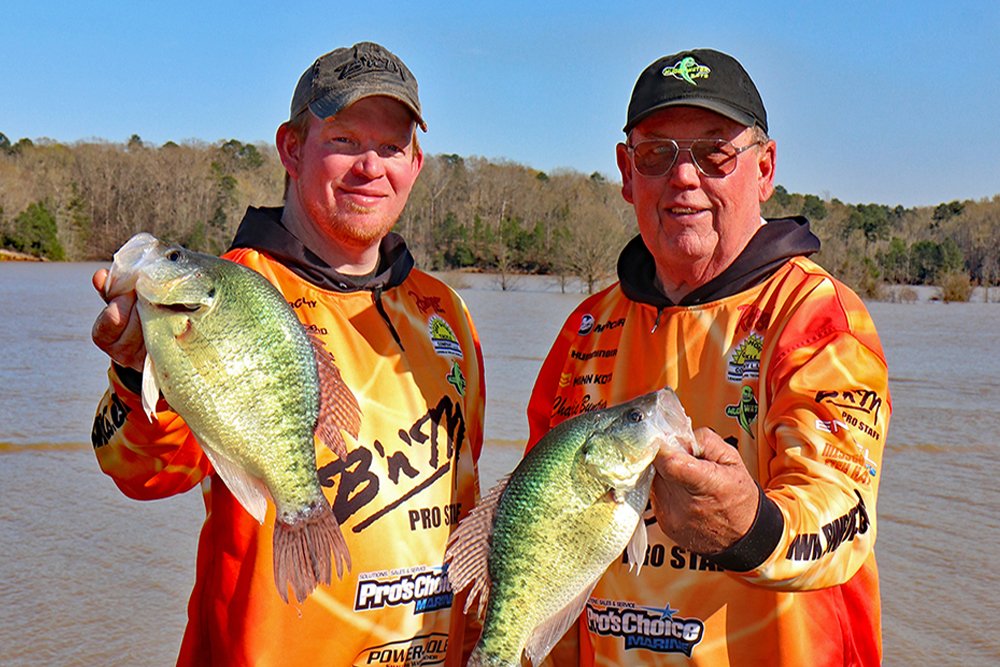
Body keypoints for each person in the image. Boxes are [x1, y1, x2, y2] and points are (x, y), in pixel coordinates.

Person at [90, 41, 485, 666]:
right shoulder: (231, 291)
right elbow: (142, 473)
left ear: (416, 164)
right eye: (346, 141)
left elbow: (462, 491)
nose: (370, 167)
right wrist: (133, 372)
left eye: (391, 148)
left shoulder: (447, 312)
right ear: (292, 149)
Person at [526, 49, 889, 665]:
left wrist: (750, 528)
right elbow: (539, 536)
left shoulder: (816, 317)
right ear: (625, 170)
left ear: (765, 168)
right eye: (656, 154)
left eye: (715, 152)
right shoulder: (586, 328)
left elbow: (844, 520)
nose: (684, 178)